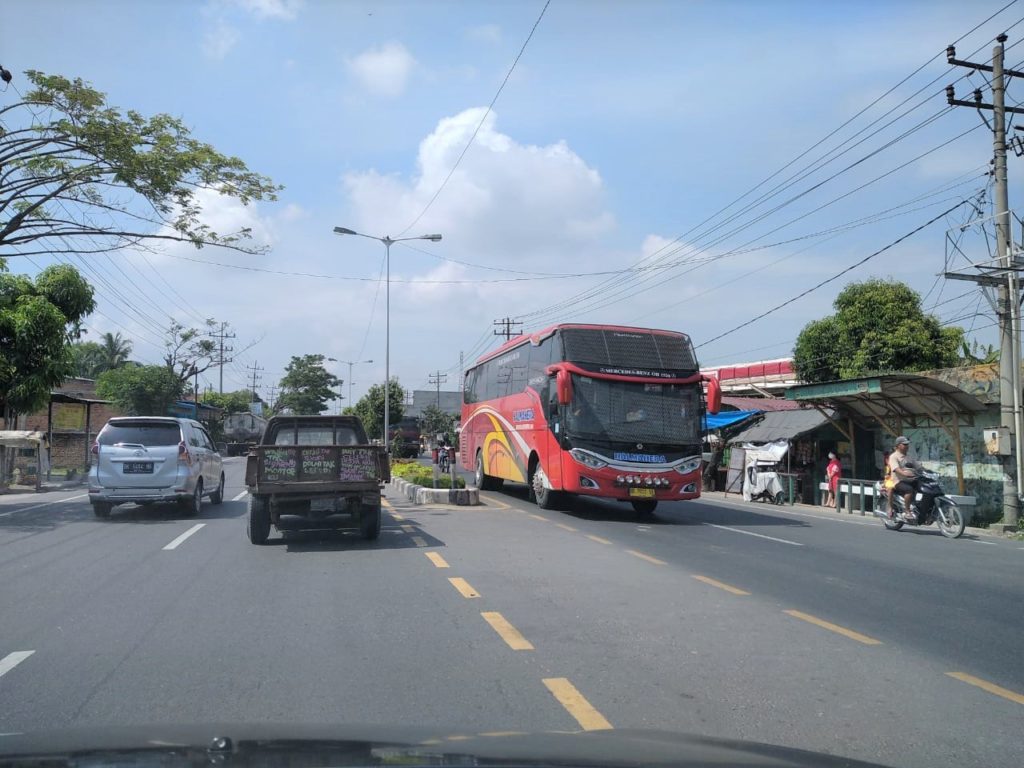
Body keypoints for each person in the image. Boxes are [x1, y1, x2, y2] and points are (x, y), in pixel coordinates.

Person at [887, 435, 919, 520]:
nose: (907, 446)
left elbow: (918, 466)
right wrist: (905, 474)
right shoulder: (893, 456)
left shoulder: (909, 456)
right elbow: (896, 469)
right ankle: (907, 511)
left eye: (907, 444)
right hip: (898, 481)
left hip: (912, 479)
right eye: (904, 444)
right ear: (898, 446)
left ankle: (917, 507)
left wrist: (928, 471)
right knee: (909, 490)